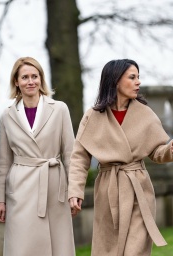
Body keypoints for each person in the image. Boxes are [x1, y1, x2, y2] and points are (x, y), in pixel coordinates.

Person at [68, 59, 173, 256]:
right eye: (132, 77)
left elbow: (156, 152)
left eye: (138, 77)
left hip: (139, 189)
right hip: (108, 190)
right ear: (115, 81)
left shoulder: (145, 114)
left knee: (136, 250)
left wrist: (169, 150)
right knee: (109, 250)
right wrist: (75, 191)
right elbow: (79, 158)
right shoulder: (93, 116)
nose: (138, 82)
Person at [0, 57, 75, 256]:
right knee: (21, 245)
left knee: (59, 244)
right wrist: (0, 200)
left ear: (41, 79)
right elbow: (4, 161)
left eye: (35, 76)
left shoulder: (60, 109)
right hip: (20, 188)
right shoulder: (7, 115)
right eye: (25, 77)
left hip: (54, 184)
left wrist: (75, 191)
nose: (30, 81)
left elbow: (70, 154)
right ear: (16, 81)